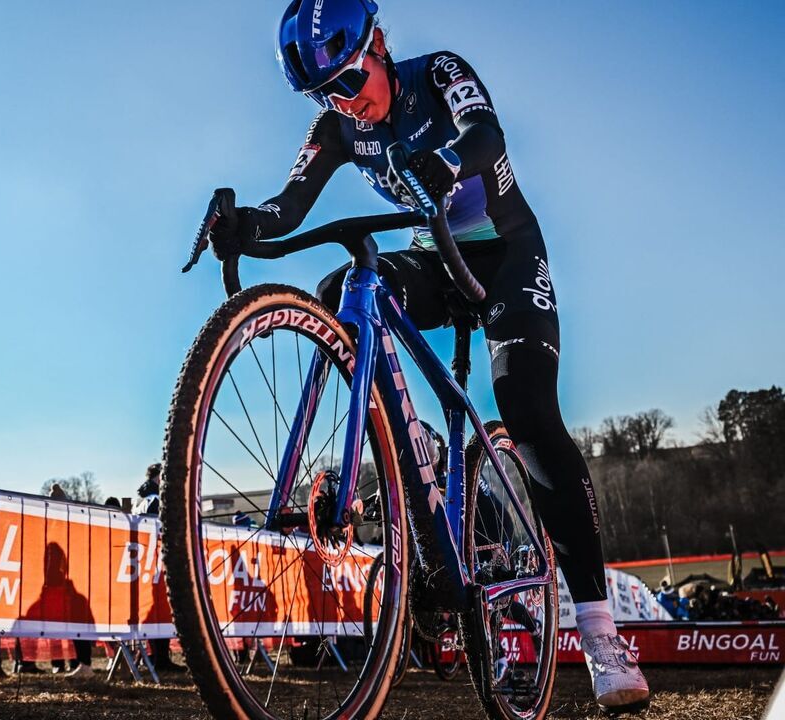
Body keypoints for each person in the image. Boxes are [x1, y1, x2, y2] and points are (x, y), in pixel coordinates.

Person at [192, 1, 648, 711]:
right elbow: (289, 206)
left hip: (504, 255)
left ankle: (598, 631)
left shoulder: (438, 73)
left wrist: (446, 161)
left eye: (349, 81)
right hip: (435, 256)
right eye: (324, 95)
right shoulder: (337, 127)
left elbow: (486, 136)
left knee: (526, 409)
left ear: (377, 43)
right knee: (343, 289)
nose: (345, 102)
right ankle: (413, 461)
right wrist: (242, 224)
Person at [134, 463, 185, 675]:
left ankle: (156, 657)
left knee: (153, 609)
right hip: (156, 560)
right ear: (158, 478)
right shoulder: (155, 500)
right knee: (161, 609)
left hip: (142, 561)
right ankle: (160, 658)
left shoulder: (140, 500)